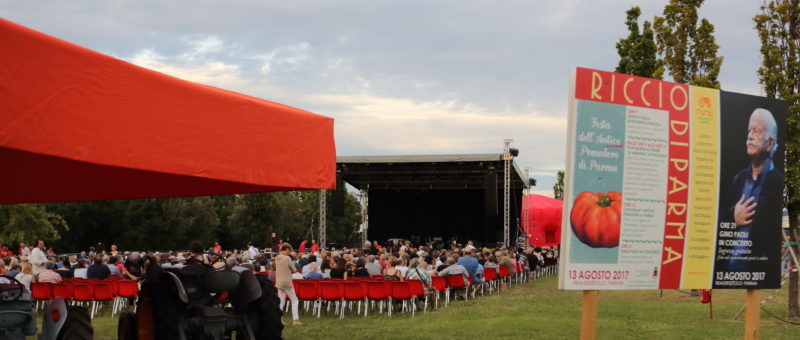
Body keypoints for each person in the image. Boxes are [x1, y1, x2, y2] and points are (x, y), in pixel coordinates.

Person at [720, 108, 784, 274]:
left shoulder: (777, 183)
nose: (749, 136)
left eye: (756, 131)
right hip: (727, 270)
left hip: (758, 271)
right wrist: (734, 216)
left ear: (770, 143)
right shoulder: (738, 178)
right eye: (749, 130)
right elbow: (720, 218)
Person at [275, 244, 301, 325]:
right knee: (294, 300)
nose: (289, 253)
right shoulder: (287, 258)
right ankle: (295, 320)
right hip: (287, 282)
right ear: (286, 249)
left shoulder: (276, 257)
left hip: (279, 282)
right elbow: (294, 269)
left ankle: (279, 320)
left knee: (281, 301)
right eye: (289, 251)